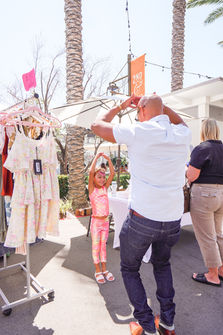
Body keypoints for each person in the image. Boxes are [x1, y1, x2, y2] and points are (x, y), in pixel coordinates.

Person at [91, 95, 191, 335]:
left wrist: (122, 106)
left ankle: (147, 326)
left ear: (143, 110)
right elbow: (180, 122)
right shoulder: (181, 134)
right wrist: (160, 106)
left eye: (138, 111)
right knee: (162, 265)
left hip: (143, 218)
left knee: (129, 268)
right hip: (172, 218)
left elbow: (96, 125)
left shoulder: (138, 131)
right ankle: (168, 323)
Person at [186, 119, 223, 287]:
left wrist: (188, 168)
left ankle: (213, 275)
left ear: (203, 131)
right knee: (218, 234)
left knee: (207, 237)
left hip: (204, 194)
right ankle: (221, 270)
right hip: (221, 193)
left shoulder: (201, 149)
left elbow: (191, 176)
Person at [88, 152, 115, 284]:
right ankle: (97, 270)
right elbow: (91, 171)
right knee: (96, 247)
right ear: (93, 178)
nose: (102, 180)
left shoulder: (105, 188)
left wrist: (109, 160)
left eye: (103, 178)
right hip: (96, 223)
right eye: (99, 177)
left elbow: (113, 174)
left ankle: (104, 269)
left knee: (103, 246)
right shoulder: (92, 190)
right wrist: (96, 158)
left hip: (105, 222)